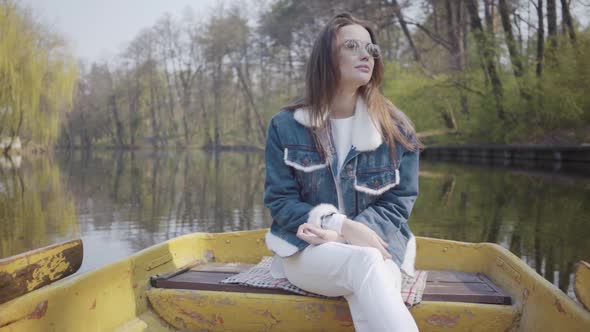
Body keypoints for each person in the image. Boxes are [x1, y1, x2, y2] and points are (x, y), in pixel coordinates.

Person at [263, 12, 421, 332]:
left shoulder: (396, 129)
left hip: (381, 244)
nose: (367, 55)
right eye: (352, 46)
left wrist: (350, 235)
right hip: (307, 250)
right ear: (326, 58)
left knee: (369, 272)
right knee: (366, 265)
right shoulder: (286, 126)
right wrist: (340, 226)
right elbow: (280, 201)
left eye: (371, 49)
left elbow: (399, 202)